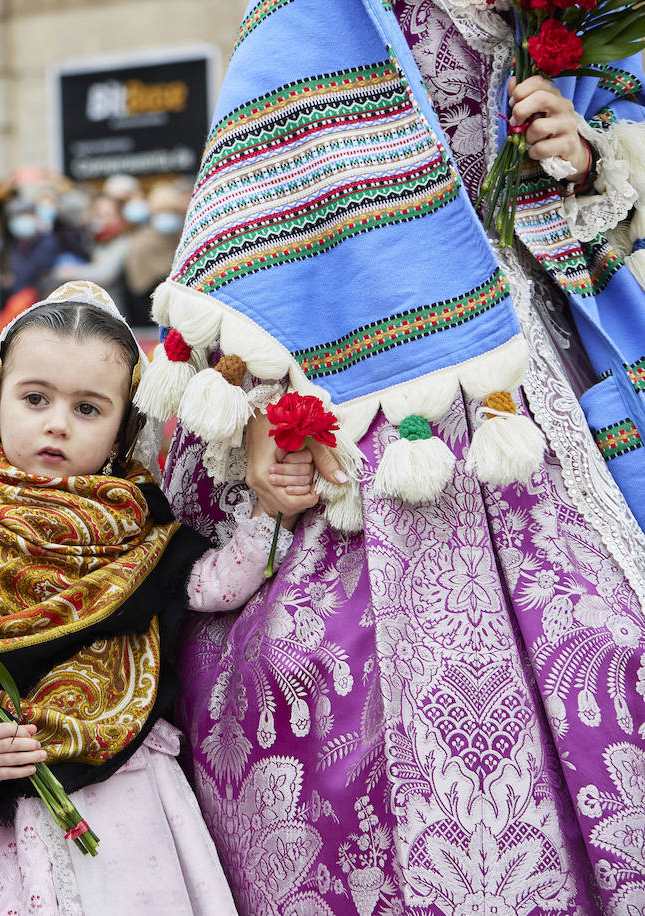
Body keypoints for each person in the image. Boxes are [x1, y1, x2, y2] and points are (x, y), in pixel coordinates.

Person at [143, 2, 645, 913]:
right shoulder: (316, 12)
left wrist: (582, 150)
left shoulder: (568, 10)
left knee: (606, 635)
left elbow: (617, 167)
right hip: (358, 367)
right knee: (321, 687)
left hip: (526, 370)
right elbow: (260, 205)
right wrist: (260, 405)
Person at [0, 281, 318, 915]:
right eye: (36, 398)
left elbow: (210, 584)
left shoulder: (136, 522)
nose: (56, 423)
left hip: (106, 775)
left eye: (88, 409)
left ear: (124, 426)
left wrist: (271, 514)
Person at [122, 183, 188, 326]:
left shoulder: (182, 239)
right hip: (148, 316)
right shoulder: (141, 242)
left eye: (172, 212)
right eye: (162, 211)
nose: (168, 216)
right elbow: (138, 286)